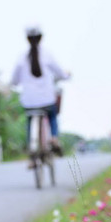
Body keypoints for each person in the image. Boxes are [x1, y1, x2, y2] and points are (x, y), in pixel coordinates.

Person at [10, 25, 69, 158]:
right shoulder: (47, 54)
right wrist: (66, 76)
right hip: (47, 99)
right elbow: (60, 72)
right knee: (52, 115)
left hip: (29, 101)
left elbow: (14, 80)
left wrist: (15, 83)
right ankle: (54, 137)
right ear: (41, 37)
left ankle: (31, 150)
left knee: (30, 120)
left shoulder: (21, 57)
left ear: (27, 39)